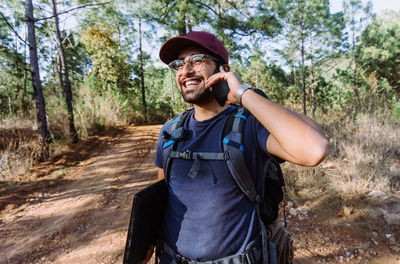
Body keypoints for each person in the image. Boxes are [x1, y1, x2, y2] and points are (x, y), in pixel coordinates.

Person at [149, 31, 329, 264]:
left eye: (197, 60)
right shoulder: (170, 131)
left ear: (223, 69)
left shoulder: (249, 124)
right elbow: (160, 199)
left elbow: (315, 149)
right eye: (179, 64)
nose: (186, 70)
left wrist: (244, 94)